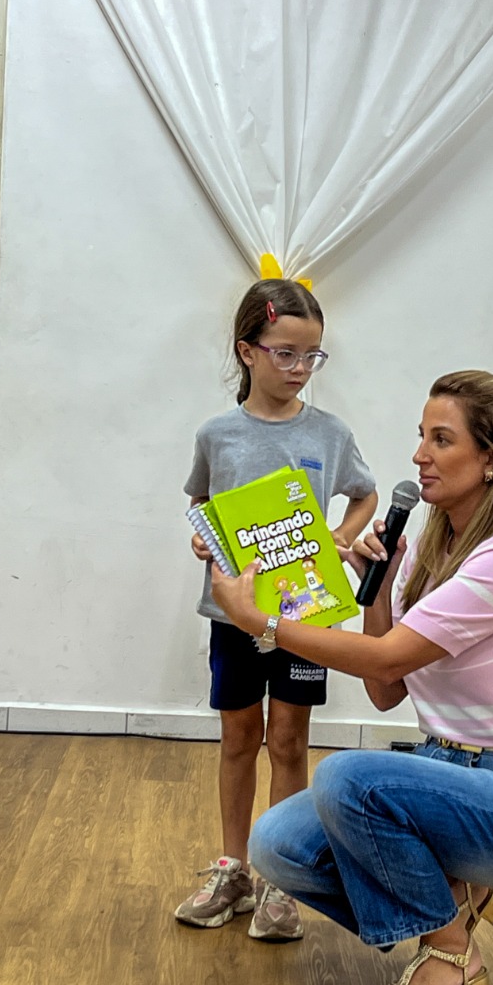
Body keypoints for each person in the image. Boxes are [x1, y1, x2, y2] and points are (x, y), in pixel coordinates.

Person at [212, 369, 493, 985]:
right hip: (445, 766)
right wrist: (379, 591)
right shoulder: (427, 549)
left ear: (491, 459)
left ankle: (449, 949)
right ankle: (451, 899)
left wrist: (261, 623)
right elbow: (386, 691)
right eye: (420, 436)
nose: (418, 456)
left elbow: (386, 659)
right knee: (276, 844)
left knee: (346, 777)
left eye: (441, 440)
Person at [175, 279, 378, 942]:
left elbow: (365, 494)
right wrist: (204, 537)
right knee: (239, 737)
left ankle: (278, 877)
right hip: (235, 617)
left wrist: (340, 539)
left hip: (305, 619)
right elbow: (202, 507)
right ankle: (232, 868)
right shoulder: (217, 435)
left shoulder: (330, 434)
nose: (299, 369)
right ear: (247, 351)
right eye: (285, 353)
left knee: (289, 740)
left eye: (311, 356)